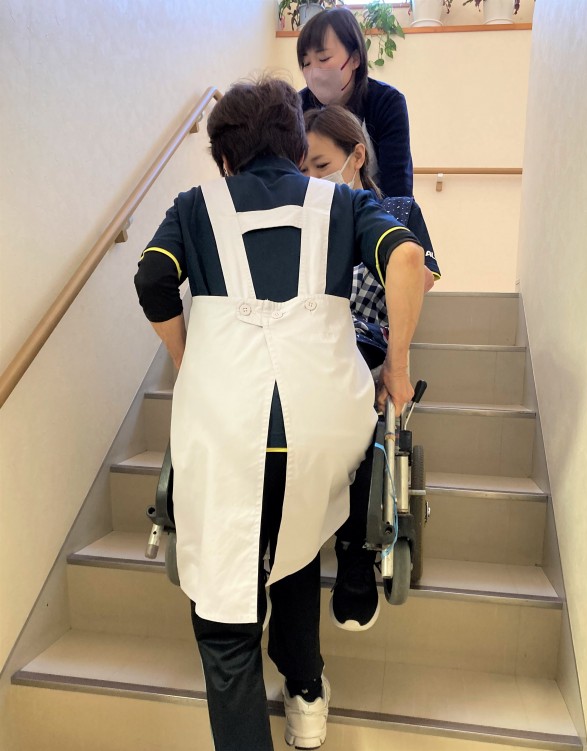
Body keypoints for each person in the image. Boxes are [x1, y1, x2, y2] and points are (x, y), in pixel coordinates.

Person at [134, 76, 425, 751]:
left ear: (224, 158)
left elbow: (151, 277)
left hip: (227, 425)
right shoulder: (343, 201)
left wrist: (187, 357)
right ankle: (307, 698)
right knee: (295, 547)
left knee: (225, 616)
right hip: (324, 425)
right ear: (298, 148)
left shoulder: (195, 206)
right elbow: (408, 257)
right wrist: (397, 368)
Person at [302, 104, 441, 632]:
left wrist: (393, 363)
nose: (312, 179)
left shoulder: (399, 210)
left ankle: (355, 553)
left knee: (361, 409)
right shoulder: (302, 218)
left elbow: (420, 275)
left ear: (356, 157)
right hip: (309, 340)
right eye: (302, 170)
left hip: (368, 342)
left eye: (321, 166)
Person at [297, 7, 413, 198]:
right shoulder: (297, 108)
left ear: (355, 59)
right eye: (306, 63)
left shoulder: (386, 102)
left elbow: (398, 190)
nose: (314, 72)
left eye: (323, 58)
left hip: (376, 210)